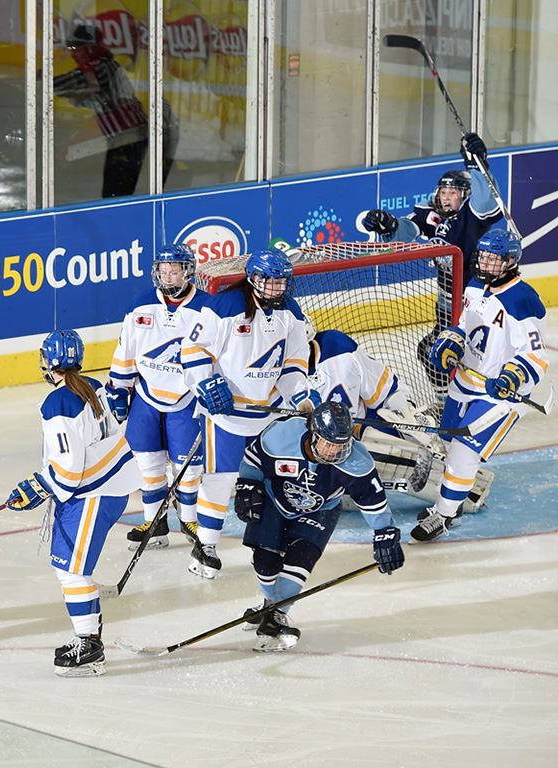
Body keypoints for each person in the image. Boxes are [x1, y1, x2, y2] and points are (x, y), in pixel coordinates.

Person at [6, 330, 143, 677]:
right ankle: (90, 634)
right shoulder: (92, 386)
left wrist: (40, 486)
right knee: (73, 569)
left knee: (71, 571)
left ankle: (89, 645)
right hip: (108, 490)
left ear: (47, 362)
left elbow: (68, 469)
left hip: (89, 496)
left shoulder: (57, 402)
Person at [180, 247, 316, 579]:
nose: (277, 289)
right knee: (220, 479)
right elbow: (193, 350)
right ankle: (206, 544)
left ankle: (270, 544)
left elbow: (293, 363)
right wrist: (207, 384)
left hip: (266, 418)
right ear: (254, 279)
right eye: (271, 283)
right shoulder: (226, 305)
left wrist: (301, 398)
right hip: (224, 415)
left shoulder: (290, 313)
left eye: (282, 283)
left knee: (271, 481)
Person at [411, 229, 549, 542]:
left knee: (463, 452)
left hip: (499, 396)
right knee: (448, 443)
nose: (485, 262)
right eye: (483, 256)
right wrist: (453, 341)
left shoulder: (523, 300)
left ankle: (444, 515)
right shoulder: (475, 285)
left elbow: (537, 356)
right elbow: (465, 326)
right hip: (464, 384)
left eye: (494, 258)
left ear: (511, 262)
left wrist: (514, 376)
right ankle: (453, 503)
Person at [234, 401, 404, 651]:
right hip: (274, 500)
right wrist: (248, 484)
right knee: (265, 561)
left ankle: (275, 616)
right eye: (329, 442)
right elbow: (253, 461)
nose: (336, 450)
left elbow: (373, 500)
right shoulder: (281, 436)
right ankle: (269, 605)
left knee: (300, 561)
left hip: (321, 510)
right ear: (313, 433)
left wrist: (385, 533)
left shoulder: (357, 461)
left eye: (342, 443)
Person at [361, 132, 503, 407]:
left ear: (465, 196)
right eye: (443, 191)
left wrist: (478, 166)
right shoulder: (430, 215)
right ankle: (444, 403)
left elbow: (487, 203)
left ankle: (480, 396)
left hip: (477, 305)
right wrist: (387, 224)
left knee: (473, 355)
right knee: (431, 350)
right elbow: (407, 230)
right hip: (447, 306)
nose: (446, 197)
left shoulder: (471, 216)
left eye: (453, 192)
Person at [305, 320, 495, 513]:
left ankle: (461, 493)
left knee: (402, 449)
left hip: (359, 437)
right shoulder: (278, 377)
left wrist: (405, 416)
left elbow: (387, 394)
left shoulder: (336, 348)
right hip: (314, 453)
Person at [107, 243, 211, 550]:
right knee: (147, 466)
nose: (168, 277)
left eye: (174, 271)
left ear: (187, 272)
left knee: (188, 470)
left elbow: (219, 353)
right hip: (146, 398)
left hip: (187, 400)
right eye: (163, 271)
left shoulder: (207, 307)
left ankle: (190, 520)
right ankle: (155, 523)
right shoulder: (141, 305)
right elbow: (125, 350)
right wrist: (120, 388)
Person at [52, 24, 149, 198]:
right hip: (125, 138)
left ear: (91, 49)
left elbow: (67, 81)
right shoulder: (104, 66)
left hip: (128, 138)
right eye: (71, 48)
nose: (73, 53)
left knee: (116, 191)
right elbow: (95, 100)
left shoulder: (98, 67)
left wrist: (37, 78)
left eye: (77, 48)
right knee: (117, 189)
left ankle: (119, 221)